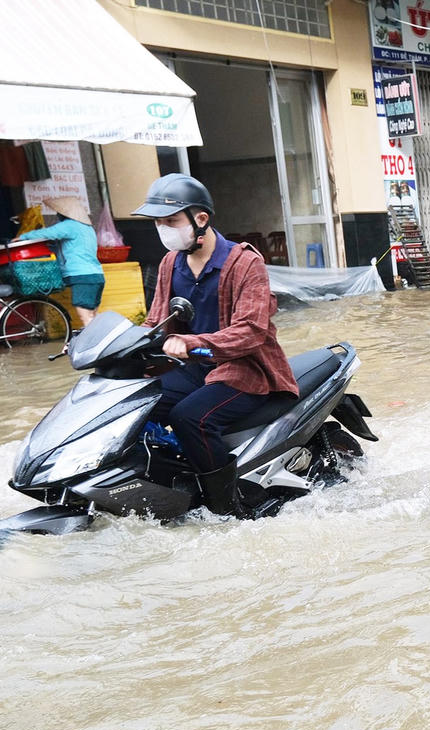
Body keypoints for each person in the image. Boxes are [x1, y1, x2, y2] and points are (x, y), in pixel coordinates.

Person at [134, 174, 298, 516]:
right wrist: (116, 343)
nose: (163, 229)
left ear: (201, 219)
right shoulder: (170, 263)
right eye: (158, 223)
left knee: (189, 417)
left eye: (171, 221)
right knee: (137, 403)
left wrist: (190, 342)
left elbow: (251, 331)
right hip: (194, 368)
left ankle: (225, 506)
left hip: (245, 371)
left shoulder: (244, 263)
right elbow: (156, 321)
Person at [15, 196, 104, 326]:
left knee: (85, 315)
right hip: (96, 275)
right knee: (92, 315)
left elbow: (48, 233)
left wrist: (23, 237)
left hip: (82, 276)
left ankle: (92, 343)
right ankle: (101, 341)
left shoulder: (70, 225)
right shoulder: (87, 228)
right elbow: (69, 247)